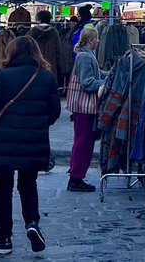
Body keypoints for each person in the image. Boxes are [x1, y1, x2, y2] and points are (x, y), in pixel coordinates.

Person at [0, 36, 60, 255]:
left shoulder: (2, 77)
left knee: (3, 190)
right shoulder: (46, 77)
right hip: (33, 141)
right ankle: (32, 223)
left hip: (3, 141)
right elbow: (54, 112)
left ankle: (4, 238)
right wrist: (38, 124)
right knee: (28, 185)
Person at [66, 26, 105, 193]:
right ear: (91, 40)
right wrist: (103, 84)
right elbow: (88, 82)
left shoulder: (86, 55)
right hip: (84, 107)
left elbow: (96, 74)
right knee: (83, 142)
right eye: (96, 39)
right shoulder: (85, 57)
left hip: (83, 108)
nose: (98, 41)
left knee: (83, 141)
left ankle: (77, 175)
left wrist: (110, 74)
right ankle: (76, 177)